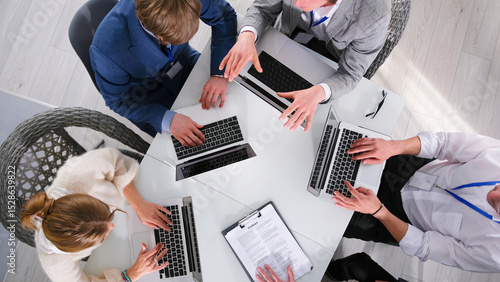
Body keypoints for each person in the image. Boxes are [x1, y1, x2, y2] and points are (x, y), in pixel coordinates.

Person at [332, 131, 500, 272]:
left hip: (393, 218)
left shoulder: (495, 253)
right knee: (335, 148)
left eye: (498, 205)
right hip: (411, 168)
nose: (491, 196)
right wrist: (394, 147)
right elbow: (444, 143)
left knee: (324, 214)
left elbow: (424, 246)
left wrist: (379, 212)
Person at [219, 0, 391, 132]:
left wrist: (320, 92)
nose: (296, 3)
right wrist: (247, 36)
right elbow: (262, 8)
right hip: (287, 35)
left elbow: (350, 74)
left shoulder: (375, 16)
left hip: (330, 59)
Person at [90, 0, 237, 144]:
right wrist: (168, 120)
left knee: (234, 111)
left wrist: (219, 73)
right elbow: (118, 101)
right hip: (151, 100)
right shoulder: (106, 50)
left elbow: (224, 17)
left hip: (185, 64)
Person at [20, 148, 173, 281]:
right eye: (102, 236)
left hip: (134, 195)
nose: (112, 225)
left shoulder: (76, 176)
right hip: (117, 249)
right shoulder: (56, 263)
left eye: (106, 213)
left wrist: (138, 203)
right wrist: (131, 275)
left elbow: (113, 160)